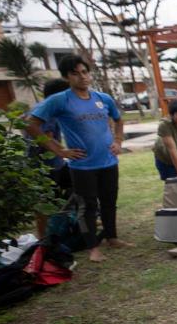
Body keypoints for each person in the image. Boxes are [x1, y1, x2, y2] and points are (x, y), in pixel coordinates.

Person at [27, 56, 132, 263]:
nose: (82, 77)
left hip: (108, 161)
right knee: (87, 206)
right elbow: (31, 124)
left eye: (85, 72)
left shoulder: (103, 98)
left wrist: (118, 140)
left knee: (109, 202)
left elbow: (118, 119)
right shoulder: (60, 100)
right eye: (75, 73)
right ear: (67, 77)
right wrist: (59, 150)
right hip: (82, 165)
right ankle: (93, 247)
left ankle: (112, 238)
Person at [30, 78, 73, 238]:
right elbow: (47, 136)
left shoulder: (39, 109)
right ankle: (43, 238)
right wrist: (65, 151)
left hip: (55, 164)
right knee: (45, 203)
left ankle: (73, 223)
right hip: (45, 166)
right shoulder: (48, 111)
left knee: (77, 190)